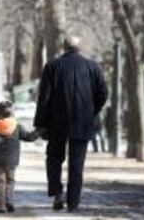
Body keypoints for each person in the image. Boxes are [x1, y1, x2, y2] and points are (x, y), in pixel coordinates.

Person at [34, 35, 108, 212]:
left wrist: (41, 123)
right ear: (79, 48)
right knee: (77, 164)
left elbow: (44, 97)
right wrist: (91, 111)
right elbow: (102, 93)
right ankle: (73, 202)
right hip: (82, 121)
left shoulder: (52, 66)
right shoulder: (93, 67)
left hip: (56, 121)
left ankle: (57, 192)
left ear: (63, 47)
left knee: (53, 158)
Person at [0, 101, 40, 213]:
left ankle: (1, 206)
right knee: (10, 182)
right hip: (12, 161)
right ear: (12, 113)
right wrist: (39, 131)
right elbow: (29, 137)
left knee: (0, 183)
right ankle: (9, 202)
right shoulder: (16, 126)